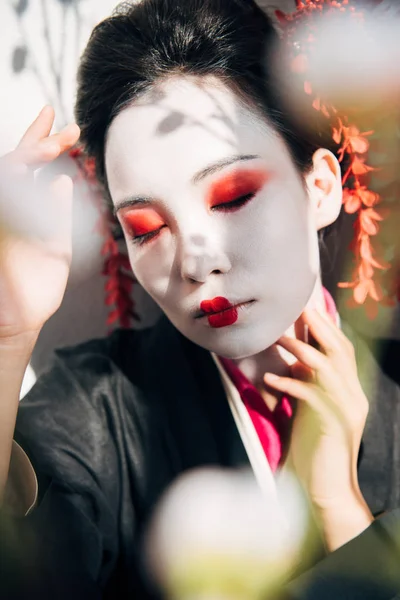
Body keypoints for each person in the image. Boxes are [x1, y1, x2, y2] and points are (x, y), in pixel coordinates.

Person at [1, 0, 400, 598]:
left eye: (233, 197)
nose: (194, 260)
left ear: (320, 187)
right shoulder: (103, 409)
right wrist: (7, 336)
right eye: (145, 228)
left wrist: (339, 507)